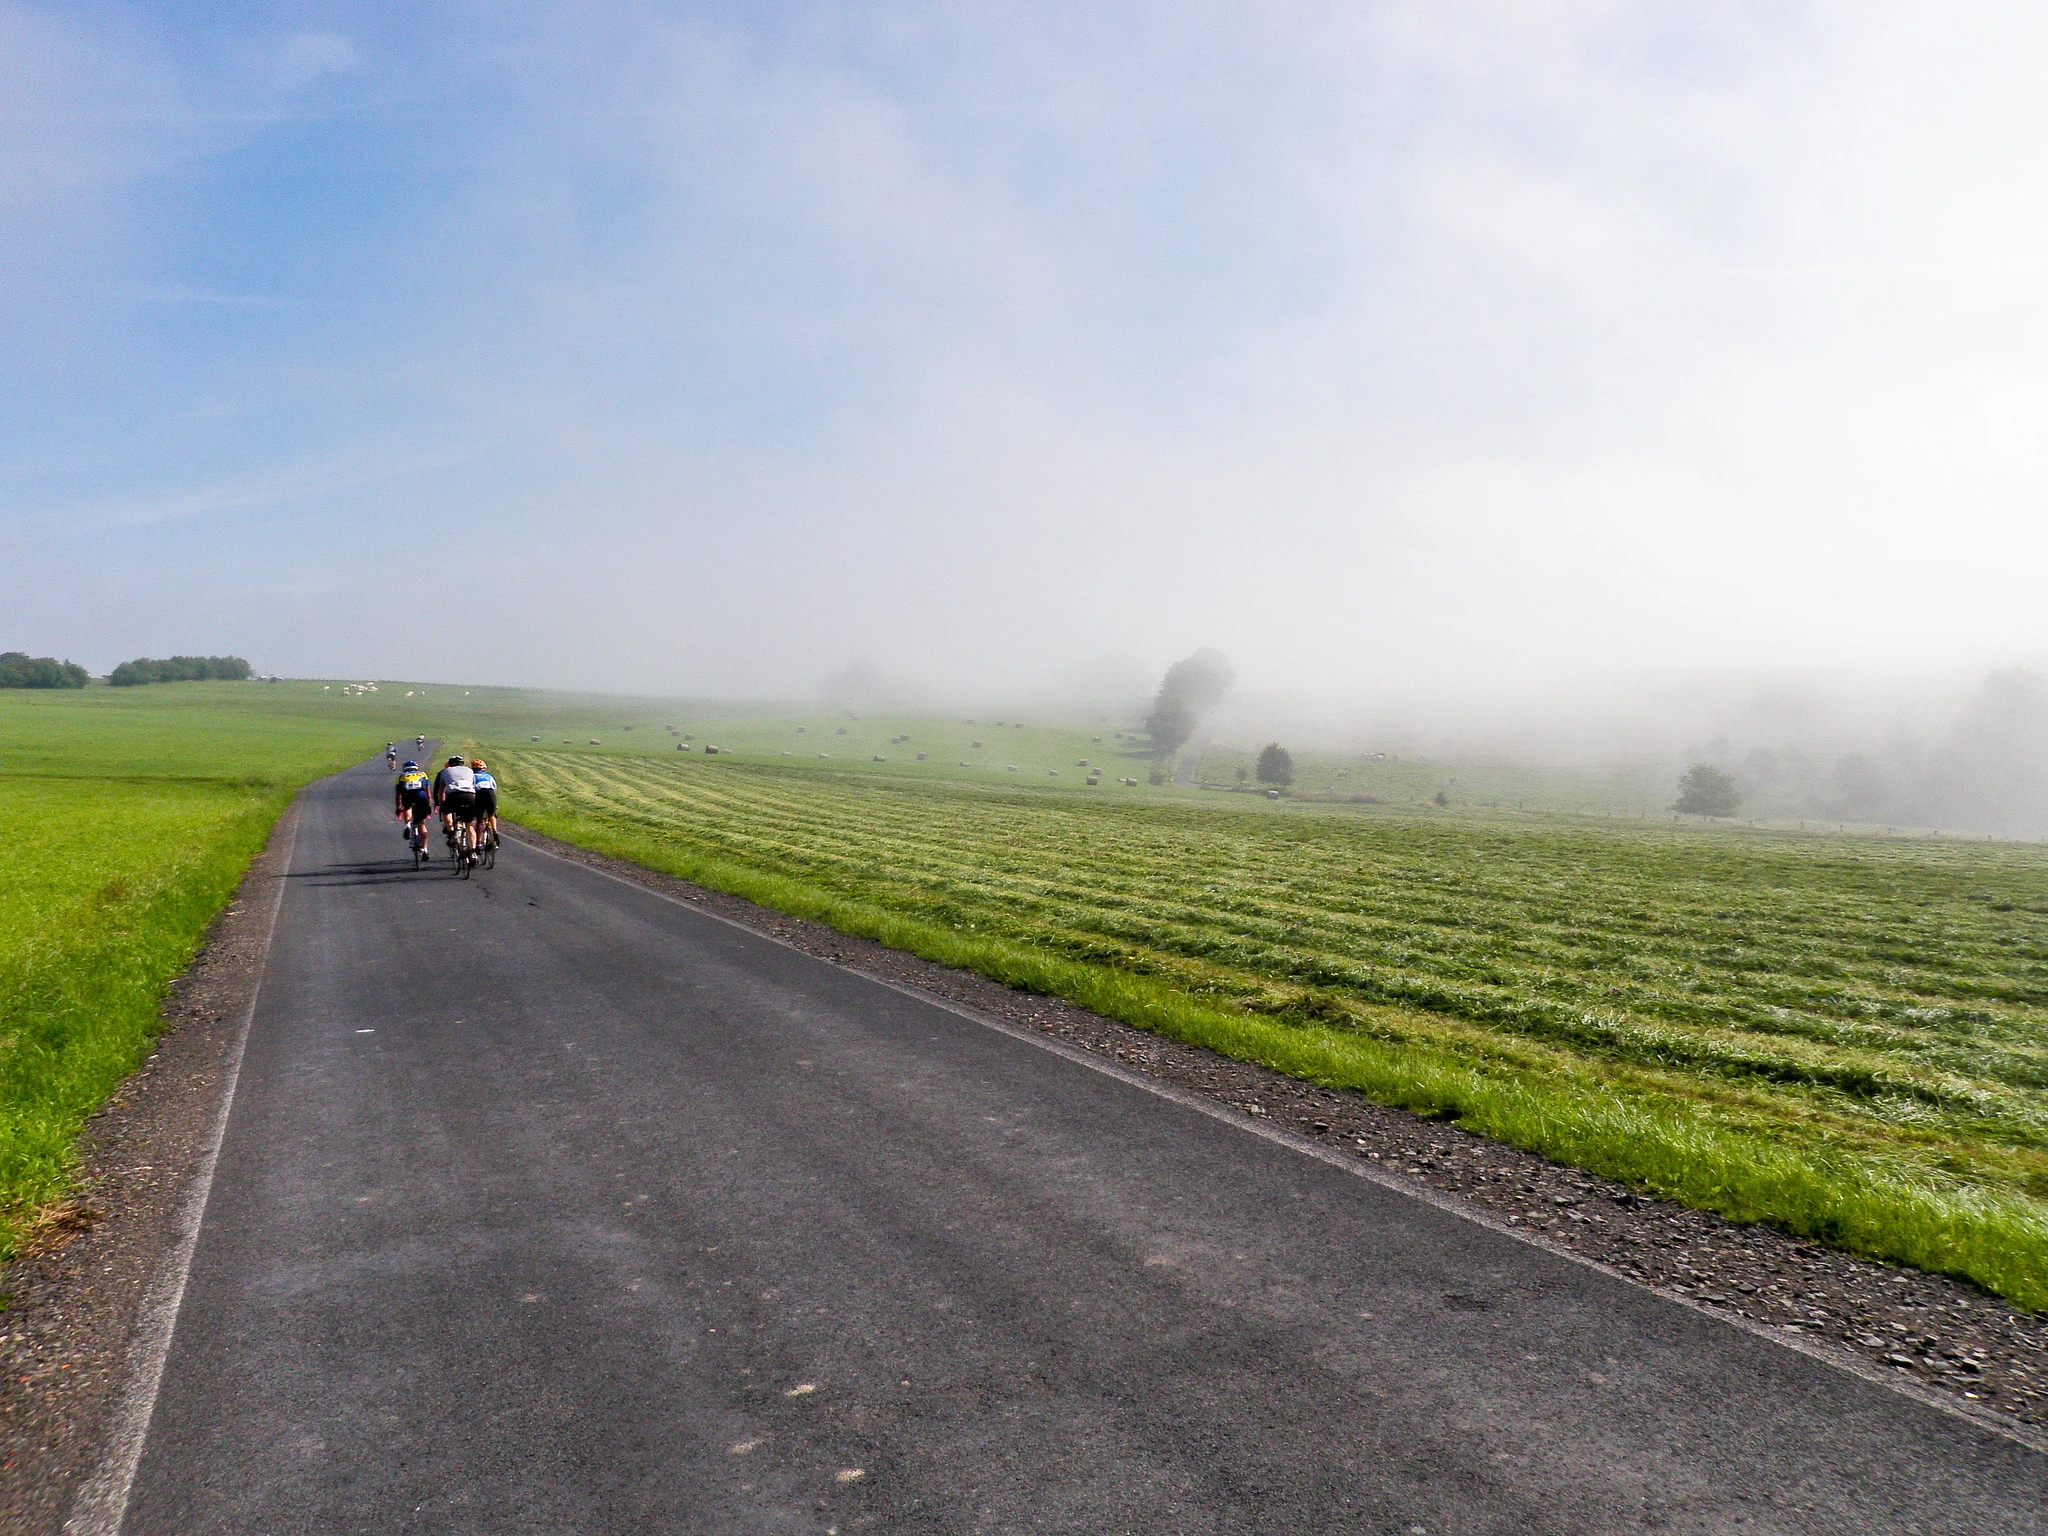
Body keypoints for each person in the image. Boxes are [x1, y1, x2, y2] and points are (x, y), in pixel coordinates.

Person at [433, 755, 478, 857]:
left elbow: (441, 791)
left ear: (450, 763)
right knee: (469, 825)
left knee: (446, 812)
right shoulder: (470, 771)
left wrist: (441, 802)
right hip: (469, 796)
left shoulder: (445, 771)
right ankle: (473, 852)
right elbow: (473, 787)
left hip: (454, 795)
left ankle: (451, 831)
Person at [394, 759, 433, 856]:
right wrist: (429, 804)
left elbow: (398, 794)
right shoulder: (423, 774)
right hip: (421, 796)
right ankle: (424, 849)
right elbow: (428, 792)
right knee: (422, 823)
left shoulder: (402, 776)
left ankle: (408, 825)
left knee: (407, 808)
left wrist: (399, 807)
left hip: (408, 795)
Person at [469, 759, 499, 850]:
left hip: (479, 794)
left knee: (479, 820)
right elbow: (494, 790)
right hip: (490, 794)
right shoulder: (489, 776)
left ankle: (478, 843)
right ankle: (494, 830)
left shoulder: (471, 776)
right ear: (483, 769)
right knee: (491, 814)